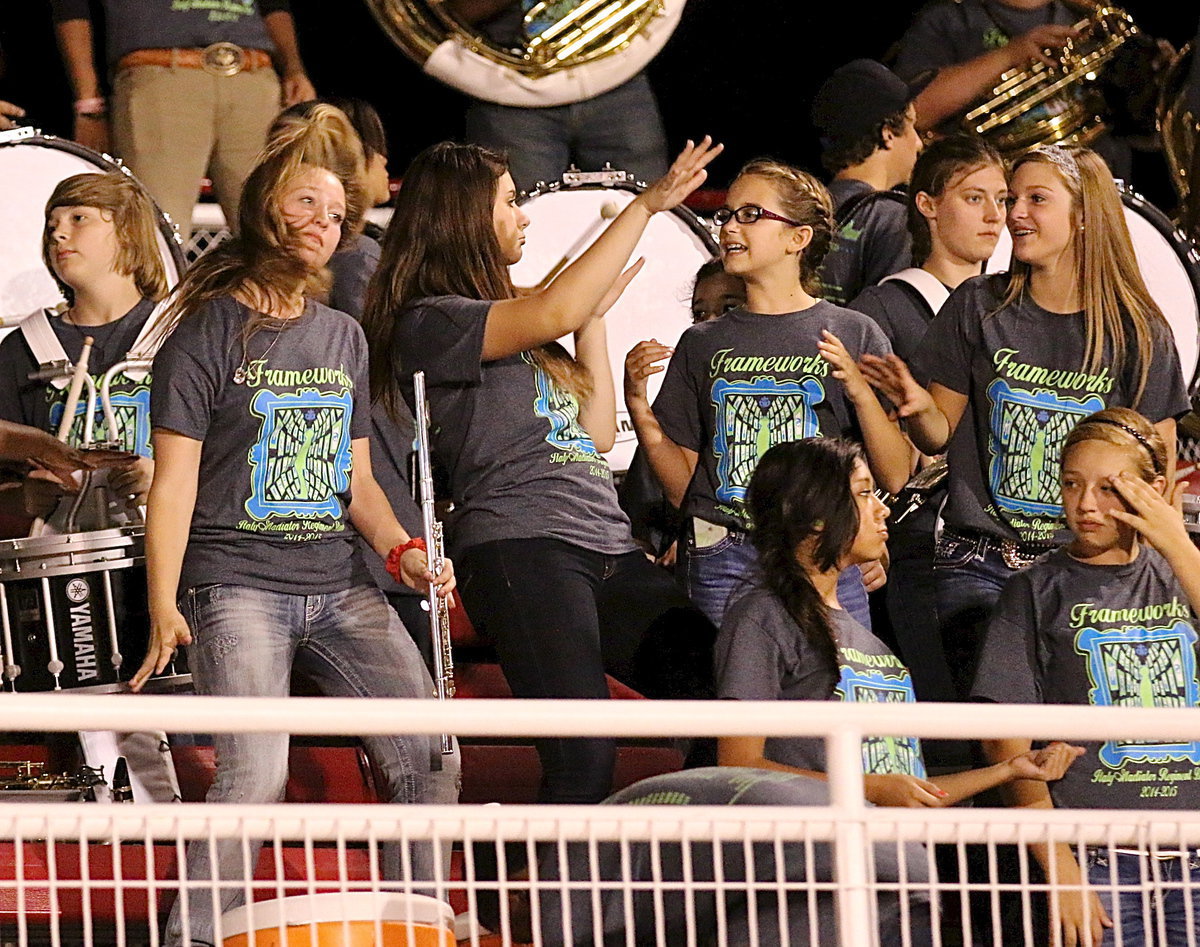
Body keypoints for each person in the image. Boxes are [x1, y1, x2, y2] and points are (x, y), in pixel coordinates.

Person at [132, 108, 459, 946]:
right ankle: (190, 937)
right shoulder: (206, 334)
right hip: (236, 582)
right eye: (308, 203)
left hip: (340, 583)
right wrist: (164, 602)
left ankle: (419, 928)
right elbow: (172, 483)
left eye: (339, 214)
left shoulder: (342, 335)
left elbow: (358, 482)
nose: (325, 223)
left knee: (430, 755)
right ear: (265, 209)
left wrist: (402, 548)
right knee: (255, 774)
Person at [362, 137, 723, 805]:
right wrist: (645, 205)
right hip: (522, 548)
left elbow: (593, 434)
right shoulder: (430, 321)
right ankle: (545, 876)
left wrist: (592, 322)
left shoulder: (520, 326)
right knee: (583, 758)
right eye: (508, 202)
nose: (522, 216)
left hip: (607, 544)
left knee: (724, 699)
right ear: (465, 217)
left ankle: (687, 856)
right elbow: (554, 306)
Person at [862, 144, 1190, 698]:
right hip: (976, 564)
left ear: (1082, 215)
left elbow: (1157, 474)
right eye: (1012, 199)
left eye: (1036, 199)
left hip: (1083, 567)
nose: (1014, 213)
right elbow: (937, 437)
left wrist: (1152, 574)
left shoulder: (1137, 331)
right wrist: (918, 408)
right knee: (998, 715)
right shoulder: (977, 305)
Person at [715, 437, 1082, 809]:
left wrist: (1009, 770)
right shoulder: (763, 617)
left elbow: (906, 790)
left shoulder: (868, 641)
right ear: (815, 514)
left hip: (891, 844)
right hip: (815, 844)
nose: (883, 509)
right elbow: (738, 764)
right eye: (864, 494)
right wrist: (867, 789)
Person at [628, 158, 911, 631]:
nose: (729, 227)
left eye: (750, 215)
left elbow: (896, 474)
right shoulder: (702, 342)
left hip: (822, 550)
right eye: (727, 214)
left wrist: (861, 393)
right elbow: (685, 490)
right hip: (723, 554)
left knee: (833, 676)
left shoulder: (853, 332)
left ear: (798, 238)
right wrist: (639, 409)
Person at [974, 407, 1200, 947]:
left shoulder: (1187, 573)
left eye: (1108, 487)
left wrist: (1178, 545)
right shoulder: (1034, 591)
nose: (1085, 504)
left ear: (1155, 490)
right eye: (1072, 484)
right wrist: (1062, 869)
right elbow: (1005, 744)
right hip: (1099, 856)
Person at [0, 169, 178, 803]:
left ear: (127, 232)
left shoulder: (183, 333)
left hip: (170, 555)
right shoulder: (24, 348)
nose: (58, 234)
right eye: (52, 223)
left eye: (78, 219)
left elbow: (235, 450)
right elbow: (7, 489)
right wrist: (26, 497)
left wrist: (165, 475)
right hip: (67, 566)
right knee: (103, 732)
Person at [848, 135, 1008, 708]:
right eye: (974, 198)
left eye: (1002, 199)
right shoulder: (881, 308)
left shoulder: (1014, 309)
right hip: (923, 541)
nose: (995, 215)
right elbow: (860, 444)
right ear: (927, 205)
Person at [472, 766, 936, 946]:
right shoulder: (617, 824)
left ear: (516, 893)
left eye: (523, 935)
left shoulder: (566, 876)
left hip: (818, 876)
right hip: (906, 861)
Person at [50, 0, 317, 237]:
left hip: (255, 78)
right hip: (161, 76)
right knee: (156, 237)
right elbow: (71, 6)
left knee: (273, 237)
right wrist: (88, 102)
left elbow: (273, 5)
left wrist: (294, 68)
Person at [451, 2, 668, 192]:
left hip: (619, 75)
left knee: (651, 214)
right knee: (516, 217)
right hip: (508, 91)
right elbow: (452, 11)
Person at [618, 259, 746, 565]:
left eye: (729, 309)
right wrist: (636, 399)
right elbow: (670, 503)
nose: (709, 324)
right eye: (700, 313)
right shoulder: (682, 402)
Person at [810, 59, 928, 306]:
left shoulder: (802, 209)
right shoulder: (896, 219)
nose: (919, 143)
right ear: (887, 134)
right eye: (912, 126)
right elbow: (892, 319)